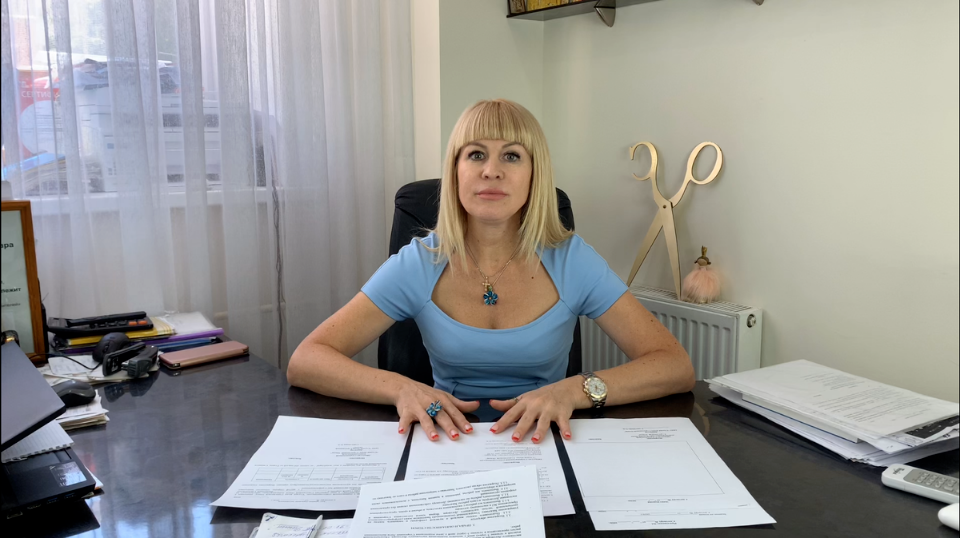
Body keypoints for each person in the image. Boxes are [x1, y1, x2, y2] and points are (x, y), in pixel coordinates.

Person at [288, 99, 695, 445]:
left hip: (544, 442)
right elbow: (307, 360)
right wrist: (400, 387)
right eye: (476, 154)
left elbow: (674, 365)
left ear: (535, 174)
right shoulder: (419, 262)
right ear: (456, 171)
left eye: (512, 156)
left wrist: (575, 390)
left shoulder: (572, 260)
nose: (491, 171)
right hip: (447, 442)